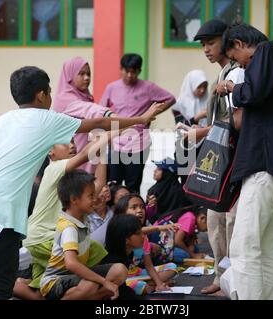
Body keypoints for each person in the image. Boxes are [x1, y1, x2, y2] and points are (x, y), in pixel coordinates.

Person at [0, 66, 164, 300]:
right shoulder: (46, 119)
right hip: (5, 212)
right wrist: (142, 119)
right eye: (50, 91)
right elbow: (100, 123)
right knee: (0, 283)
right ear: (41, 95)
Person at [217, 23, 273, 300]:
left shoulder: (266, 51)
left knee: (244, 247)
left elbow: (253, 92)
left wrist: (232, 86)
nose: (238, 63)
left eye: (234, 57)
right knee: (265, 250)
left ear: (240, 44)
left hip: (265, 167)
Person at [191, 19, 245, 295]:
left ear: (226, 40)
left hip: (235, 159)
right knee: (215, 222)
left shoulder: (236, 74)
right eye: (203, 45)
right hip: (218, 158)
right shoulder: (222, 73)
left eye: (210, 43)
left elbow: (236, 121)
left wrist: (200, 133)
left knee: (232, 222)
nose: (206, 49)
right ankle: (220, 277)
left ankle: (232, 280)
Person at [20, 138, 108, 299]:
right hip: (42, 238)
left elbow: (99, 183)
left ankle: (13, 284)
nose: (72, 145)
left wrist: (102, 151)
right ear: (50, 152)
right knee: (88, 255)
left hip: (50, 238)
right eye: (65, 142)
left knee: (40, 291)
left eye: (74, 141)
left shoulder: (71, 181)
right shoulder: (53, 168)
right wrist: (105, 136)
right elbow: (83, 154)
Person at [40, 170, 128, 300]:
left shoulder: (82, 215)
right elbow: (71, 264)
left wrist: (101, 154)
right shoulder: (69, 227)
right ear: (74, 200)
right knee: (90, 285)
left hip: (76, 276)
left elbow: (99, 185)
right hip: (55, 281)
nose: (95, 199)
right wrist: (104, 282)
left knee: (120, 270)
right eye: (91, 196)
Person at [100, 53, 176, 193]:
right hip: (116, 143)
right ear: (121, 69)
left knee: (133, 186)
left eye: (133, 72)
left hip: (139, 144)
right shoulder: (112, 87)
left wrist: (151, 114)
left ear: (139, 71)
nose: (130, 75)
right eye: (126, 71)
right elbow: (101, 110)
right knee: (112, 185)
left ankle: (132, 214)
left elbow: (170, 98)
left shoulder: (148, 87)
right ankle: (115, 214)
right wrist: (107, 135)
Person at [53, 56, 118, 173]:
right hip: (74, 160)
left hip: (89, 157)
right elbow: (89, 110)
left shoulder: (85, 96)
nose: (87, 78)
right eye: (81, 74)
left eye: (88, 74)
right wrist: (110, 114)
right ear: (70, 76)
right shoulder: (64, 98)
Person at [113, 194, 177, 295]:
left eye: (142, 207)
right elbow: (138, 231)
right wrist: (158, 228)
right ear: (122, 213)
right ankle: (148, 285)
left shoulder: (144, 237)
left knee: (172, 267)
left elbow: (149, 265)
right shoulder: (119, 232)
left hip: (137, 273)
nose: (140, 210)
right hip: (120, 277)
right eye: (134, 207)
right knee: (140, 287)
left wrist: (160, 284)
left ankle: (152, 284)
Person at [146, 157, 189, 223]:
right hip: (156, 225)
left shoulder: (178, 192)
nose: (154, 170)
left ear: (167, 173)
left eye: (159, 169)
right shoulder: (152, 190)